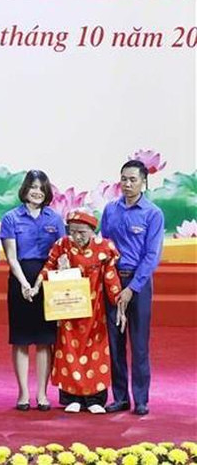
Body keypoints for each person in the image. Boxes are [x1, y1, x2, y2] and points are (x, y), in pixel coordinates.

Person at [33, 210, 125, 414]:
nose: (77, 236)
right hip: (68, 308)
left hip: (95, 310)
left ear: (93, 231)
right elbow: (48, 268)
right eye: (73, 231)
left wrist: (119, 303)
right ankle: (71, 397)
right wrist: (39, 283)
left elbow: (111, 277)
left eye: (82, 232)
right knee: (68, 350)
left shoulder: (105, 248)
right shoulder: (62, 245)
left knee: (96, 352)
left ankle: (95, 399)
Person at [100, 159, 164, 416]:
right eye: (123, 179)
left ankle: (141, 399)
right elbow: (104, 247)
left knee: (138, 344)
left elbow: (152, 255)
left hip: (138, 284)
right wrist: (111, 283)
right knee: (115, 344)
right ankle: (120, 397)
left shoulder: (153, 213)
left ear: (143, 182)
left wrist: (132, 287)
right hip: (112, 282)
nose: (127, 184)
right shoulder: (110, 210)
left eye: (133, 180)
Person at [0, 170, 65, 411]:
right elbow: (11, 257)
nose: (37, 191)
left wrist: (49, 278)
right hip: (20, 278)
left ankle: (42, 394)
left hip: (47, 277)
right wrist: (25, 284)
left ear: (47, 192)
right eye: (32, 187)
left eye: (41, 187)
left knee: (44, 340)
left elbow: (61, 252)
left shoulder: (55, 219)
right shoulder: (11, 218)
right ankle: (23, 393)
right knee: (21, 339)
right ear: (25, 189)